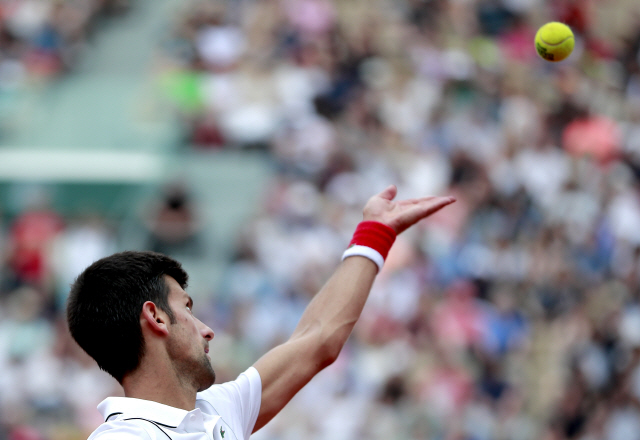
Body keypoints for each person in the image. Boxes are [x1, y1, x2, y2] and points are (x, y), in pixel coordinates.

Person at [66, 185, 455, 439]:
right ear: (157, 318)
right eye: (187, 308)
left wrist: (375, 233)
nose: (207, 330)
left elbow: (317, 340)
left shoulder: (217, 409)